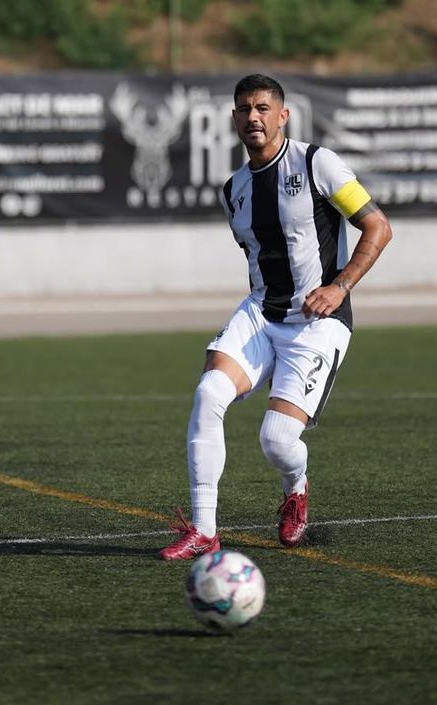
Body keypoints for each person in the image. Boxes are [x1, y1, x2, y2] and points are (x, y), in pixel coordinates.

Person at [160, 74, 393, 560]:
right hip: (262, 313)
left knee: (276, 439)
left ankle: (296, 487)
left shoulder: (316, 164)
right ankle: (203, 529)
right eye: (245, 109)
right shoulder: (235, 190)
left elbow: (377, 227)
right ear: (234, 119)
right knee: (208, 393)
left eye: (263, 108)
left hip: (317, 323)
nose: (254, 117)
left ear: (283, 115)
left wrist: (339, 286)